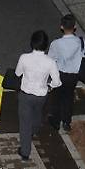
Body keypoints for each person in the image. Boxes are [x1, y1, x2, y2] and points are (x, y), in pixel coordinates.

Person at [15, 30, 60, 160]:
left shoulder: (24, 58)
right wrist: (50, 87)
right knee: (37, 113)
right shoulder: (50, 62)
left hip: (25, 94)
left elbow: (18, 73)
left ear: (32, 43)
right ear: (46, 45)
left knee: (24, 123)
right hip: (41, 94)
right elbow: (57, 81)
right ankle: (34, 131)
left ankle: (25, 151)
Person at [47, 13, 85, 132]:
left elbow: (50, 59)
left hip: (60, 74)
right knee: (68, 97)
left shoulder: (56, 43)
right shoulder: (81, 42)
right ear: (74, 27)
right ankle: (66, 121)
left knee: (56, 98)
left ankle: (55, 121)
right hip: (74, 75)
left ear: (61, 27)